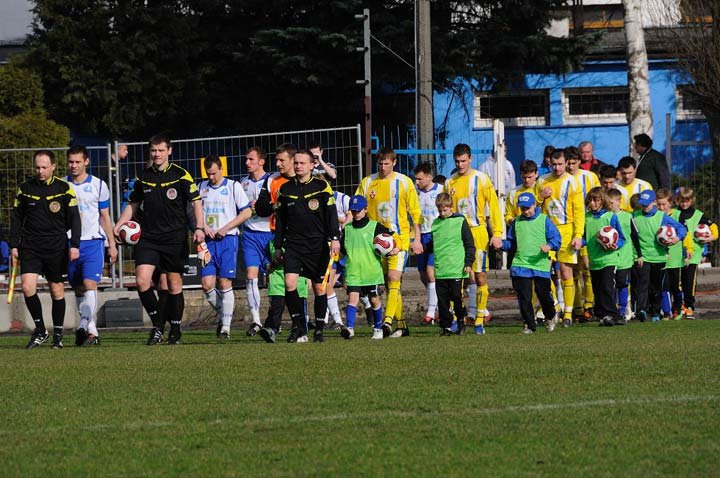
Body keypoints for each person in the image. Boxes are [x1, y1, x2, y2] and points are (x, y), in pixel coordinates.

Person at [113, 134, 205, 345]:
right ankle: (157, 325)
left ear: (169, 151)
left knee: (173, 284)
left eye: (161, 150)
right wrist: (119, 225)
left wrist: (199, 227)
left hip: (174, 237)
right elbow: (134, 205)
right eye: (153, 150)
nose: (157, 154)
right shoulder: (143, 176)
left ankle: (175, 329)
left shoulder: (181, 175)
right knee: (142, 280)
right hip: (149, 237)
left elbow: (196, 202)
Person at [9, 150, 81, 349]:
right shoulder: (25, 188)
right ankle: (41, 330)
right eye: (37, 167)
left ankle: (58, 334)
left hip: (56, 246)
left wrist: (74, 245)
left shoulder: (64, 188)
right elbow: (16, 218)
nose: (40, 171)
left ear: (53, 167)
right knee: (27, 287)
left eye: (44, 167)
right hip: (30, 245)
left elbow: (75, 218)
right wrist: (14, 244)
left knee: (56, 289)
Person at [274, 149, 341, 343]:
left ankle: (319, 329)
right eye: (296, 163)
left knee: (319, 288)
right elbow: (280, 220)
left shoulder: (322, 186)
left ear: (312, 165)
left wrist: (334, 238)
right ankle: (298, 327)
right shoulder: (285, 189)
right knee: (289, 283)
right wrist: (278, 246)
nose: (298, 166)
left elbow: (331, 215)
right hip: (293, 245)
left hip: (317, 245)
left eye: (302, 163)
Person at [356, 147, 423, 338]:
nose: (383, 167)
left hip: (398, 240)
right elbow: (359, 207)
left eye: (387, 163)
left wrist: (416, 239)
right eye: (380, 163)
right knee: (387, 283)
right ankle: (402, 326)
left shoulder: (404, 182)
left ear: (394, 162)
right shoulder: (368, 182)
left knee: (394, 278)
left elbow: (415, 214)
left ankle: (386, 322)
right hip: (375, 242)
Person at [445, 144, 503, 335]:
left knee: (479, 276)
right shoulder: (449, 182)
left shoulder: (481, 179)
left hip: (477, 232)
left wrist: (497, 233)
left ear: (470, 159)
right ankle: (457, 320)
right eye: (457, 161)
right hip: (456, 234)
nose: (460, 164)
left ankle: (479, 320)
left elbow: (493, 207)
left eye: (463, 161)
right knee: (457, 278)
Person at [254, 144, 310, 343]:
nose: (277, 164)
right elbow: (260, 208)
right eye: (276, 160)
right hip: (276, 237)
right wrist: (275, 205)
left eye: (282, 161)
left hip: (300, 240)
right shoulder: (271, 181)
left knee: (298, 285)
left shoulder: (305, 181)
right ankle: (272, 327)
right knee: (278, 283)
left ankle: (301, 327)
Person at [65, 145, 118, 347]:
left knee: (90, 284)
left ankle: (83, 325)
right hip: (70, 244)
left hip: (94, 242)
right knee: (78, 288)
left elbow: (105, 217)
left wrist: (111, 244)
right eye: (71, 162)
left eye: (78, 162)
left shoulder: (98, 185)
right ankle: (92, 331)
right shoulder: (62, 185)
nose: (74, 166)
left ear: (86, 161)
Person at [198, 155, 252, 339]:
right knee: (206, 284)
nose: (211, 177)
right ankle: (225, 314)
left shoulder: (232, 186)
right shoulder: (201, 187)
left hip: (228, 240)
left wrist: (227, 227)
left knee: (224, 282)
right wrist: (203, 226)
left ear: (221, 169)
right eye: (208, 173)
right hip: (207, 242)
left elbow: (246, 211)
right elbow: (194, 212)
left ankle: (225, 329)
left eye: (214, 173)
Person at [535, 148, 585, 327]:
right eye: (554, 164)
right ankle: (554, 306)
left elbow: (579, 211)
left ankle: (568, 314)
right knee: (543, 271)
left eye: (560, 164)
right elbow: (534, 206)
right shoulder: (542, 181)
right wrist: (540, 196)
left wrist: (578, 235)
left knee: (565, 271)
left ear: (566, 163)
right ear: (549, 163)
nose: (557, 168)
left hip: (567, 230)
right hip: (547, 232)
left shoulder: (572, 182)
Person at [339, 195, 399, 339]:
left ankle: (378, 328)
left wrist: (395, 248)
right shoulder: (347, 230)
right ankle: (350, 328)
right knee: (352, 299)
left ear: (366, 210)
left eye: (358, 211)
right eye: (353, 211)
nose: (355, 214)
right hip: (354, 271)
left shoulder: (375, 226)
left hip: (371, 271)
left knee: (374, 299)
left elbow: (392, 237)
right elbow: (342, 251)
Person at [502, 192, 560, 334]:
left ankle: (550, 316)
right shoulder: (516, 222)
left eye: (528, 208)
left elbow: (556, 238)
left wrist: (549, 246)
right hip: (520, 264)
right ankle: (529, 324)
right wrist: (501, 245)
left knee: (544, 295)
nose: (526, 211)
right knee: (524, 297)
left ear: (535, 204)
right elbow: (511, 243)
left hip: (540, 264)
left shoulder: (544, 220)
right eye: (522, 209)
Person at [424, 193, 475, 336]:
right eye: (439, 211)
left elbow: (469, 244)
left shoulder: (460, 221)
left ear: (451, 207)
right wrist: (422, 247)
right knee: (443, 300)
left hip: (456, 268)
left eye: (445, 210)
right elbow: (434, 244)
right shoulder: (435, 223)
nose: (442, 213)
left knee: (457, 297)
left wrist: (468, 262)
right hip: (441, 269)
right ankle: (445, 326)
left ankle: (460, 319)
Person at [632, 190, 686, 323]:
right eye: (642, 204)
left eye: (647, 204)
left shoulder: (662, 217)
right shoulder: (635, 216)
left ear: (654, 203)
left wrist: (676, 238)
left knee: (656, 287)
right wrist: (637, 255)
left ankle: (656, 312)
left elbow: (681, 229)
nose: (644, 207)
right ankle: (642, 310)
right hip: (643, 257)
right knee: (642, 285)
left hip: (659, 257)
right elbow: (632, 236)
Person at [239, 146, 272, 335]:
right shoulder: (243, 183)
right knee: (251, 276)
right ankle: (256, 320)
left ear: (261, 161)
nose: (247, 163)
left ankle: (275, 318)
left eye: (251, 159)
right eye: (246, 159)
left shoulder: (271, 181)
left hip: (270, 233)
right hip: (251, 234)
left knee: (277, 278)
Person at [566, 146, 600, 321]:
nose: (570, 166)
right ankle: (577, 308)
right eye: (568, 163)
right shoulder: (562, 179)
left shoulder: (590, 177)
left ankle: (589, 305)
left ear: (580, 162)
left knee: (587, 267)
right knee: (573, 270)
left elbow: (599, 197)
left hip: (587, 225)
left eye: (573, 163)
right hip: (568, 228)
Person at [584, 187, 626, 326]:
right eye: (590, 200)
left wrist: (615, 245)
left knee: (607, 287)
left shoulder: (610, 217)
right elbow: (585, 237)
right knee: (598, 289)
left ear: (603, 201)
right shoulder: (586, 218)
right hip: (594, 259)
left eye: (596, 200)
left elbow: (621, 238)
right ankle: (602, 315)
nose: (593, 203)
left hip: (609, 259)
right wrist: (579, 243)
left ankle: (612, 315)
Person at [676, 187, 718, 320]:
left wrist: (710, 238)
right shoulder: (674, 213)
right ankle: (677, 307)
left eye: (687, 201)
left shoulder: (699, 215)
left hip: (693, 255)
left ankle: (690, 307)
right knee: (677, 282)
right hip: (676, 253)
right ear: (678, 200)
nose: (684, 204)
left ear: (692, 200)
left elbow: (714, 227)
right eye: (682, 201)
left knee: (689, 282)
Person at [655, 189, 693, 320]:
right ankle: (665, 311)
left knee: (675, 286)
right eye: (659, 204)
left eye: (664, 204)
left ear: (670, 203)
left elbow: (685, 233)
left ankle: (677, 307)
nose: (661, 207)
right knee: (663, 286)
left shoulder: (678, 215)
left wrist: (688, 248)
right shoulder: (656, 216)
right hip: (661, 258)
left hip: (676, 258)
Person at [414, 162, 441, 325]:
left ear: (429, 177)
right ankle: (436, 303)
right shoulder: (415, 193)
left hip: (436, 234)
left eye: (420, 179)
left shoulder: (440, 190)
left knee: (431, 272)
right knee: (423, 274)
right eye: (416, 179)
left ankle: (430, 313)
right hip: (421, 235)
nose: (417, 182)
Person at [606, 188, 638, 323]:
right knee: (611, 286)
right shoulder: (606, 217)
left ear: (619, 202)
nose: (609, 205)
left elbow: (635, 236)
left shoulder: (628, 217)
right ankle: (613, 311)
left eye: (611, 203)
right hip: (610, 258)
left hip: (625, 258)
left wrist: (639, 255)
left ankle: (622, 311)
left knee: (623, 285)